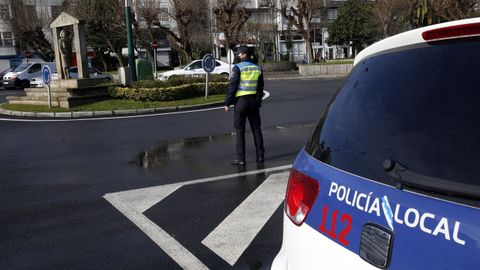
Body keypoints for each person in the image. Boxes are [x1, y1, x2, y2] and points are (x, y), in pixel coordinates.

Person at [224, 46, 265, 166]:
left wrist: (227, 103)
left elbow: (233, 86)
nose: (238, 55)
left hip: (241, 102)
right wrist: (258, 101)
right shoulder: (258, 68)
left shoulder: (238, 67)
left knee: (240, 130)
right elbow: (260, 88)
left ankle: (241, 159)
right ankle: (260, 156)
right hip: (253, 102)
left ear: (244, 54)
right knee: (256, 129)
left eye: (239, 54)